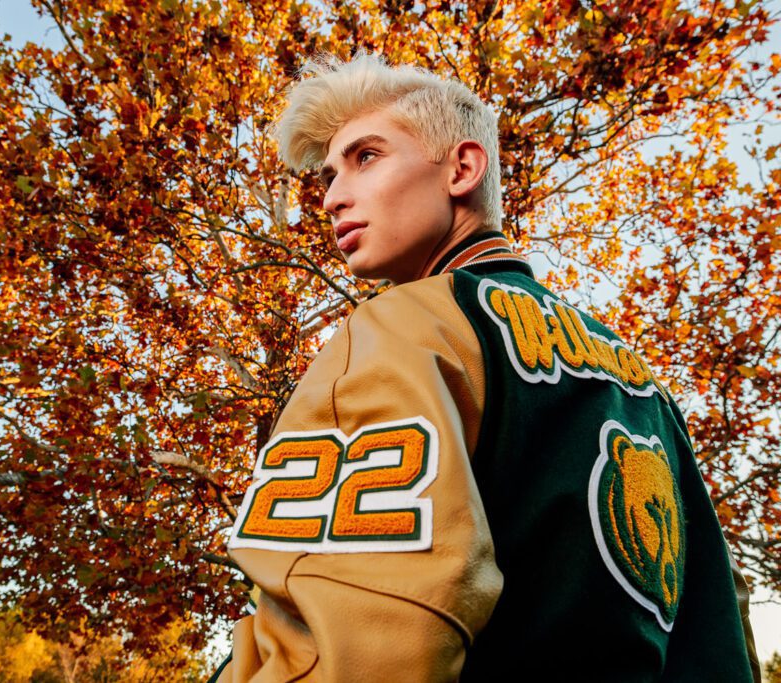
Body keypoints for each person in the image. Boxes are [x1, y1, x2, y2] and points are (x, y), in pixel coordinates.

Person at [211, 53, 759, 682]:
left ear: (462, 169)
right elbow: (717, 630)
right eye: (329, 175)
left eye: (366, 157)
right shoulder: (640, 381)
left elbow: (355, 647)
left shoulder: (411, 327)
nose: (333, 197)